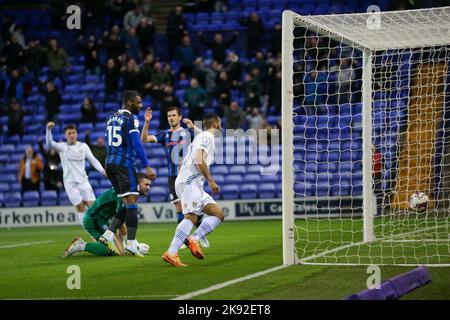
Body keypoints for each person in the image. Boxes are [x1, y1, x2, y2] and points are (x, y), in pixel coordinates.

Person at [141, 106, 208, 248]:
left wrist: (194, 127)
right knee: (179, 207)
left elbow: (206, 138)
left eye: (173, 115)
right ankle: (183, 239)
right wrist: (147, 122)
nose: (171, 118)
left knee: (193, 208)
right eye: (169, 116)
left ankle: (199, 235)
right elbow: (144, 139)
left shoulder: (187, 132)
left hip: (189, 175)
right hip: (173, 177)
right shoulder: (164, 134)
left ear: (179, 116)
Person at [162, 113, 225, 267]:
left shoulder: (201, 136)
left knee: (218, 214)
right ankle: (171, 253)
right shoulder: (207, 137)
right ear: (216, 124)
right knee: (191, 217)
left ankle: (194, 239)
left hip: (192, 182)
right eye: (220, 122)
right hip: (191, 182)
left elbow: (184, 160)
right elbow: (198, 158)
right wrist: (210, 180)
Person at [99, 90, 156, 257]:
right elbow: (137, 143)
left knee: (125, 202)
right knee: (132, 203)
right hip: (124, 165)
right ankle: (131, 244)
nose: (141, 105)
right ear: (129, 103)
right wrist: (147, 166)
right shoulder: (131, 119)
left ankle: (108, 234)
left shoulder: (110, 118)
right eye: (138, 102)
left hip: (109, 164)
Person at [63, 173, 151, 257]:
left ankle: (126, 246)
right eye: (146, 184)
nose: (149, 188)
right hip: (94, 220)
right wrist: (133, 243)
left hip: (102, 220)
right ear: (137, 183)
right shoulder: (124, 194)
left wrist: (132, 244)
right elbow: (120, 221)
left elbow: (120, 220)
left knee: (121, 251)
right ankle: (81, 245)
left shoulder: (127, 191)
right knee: (114, 251)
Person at [46, 122, 106, 223]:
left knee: (93, 207)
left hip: (84, 182)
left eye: (74, 132)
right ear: (65, 135)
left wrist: (102, 170)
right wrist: (48, 130)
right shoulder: (62, 147)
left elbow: (93, 160)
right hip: (70, 184)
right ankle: (92, 234)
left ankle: (101, 229)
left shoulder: (83, 146)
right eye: (69, 133)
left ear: (77, 134)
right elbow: (49, 143)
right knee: (80, 208)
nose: (72, 135)